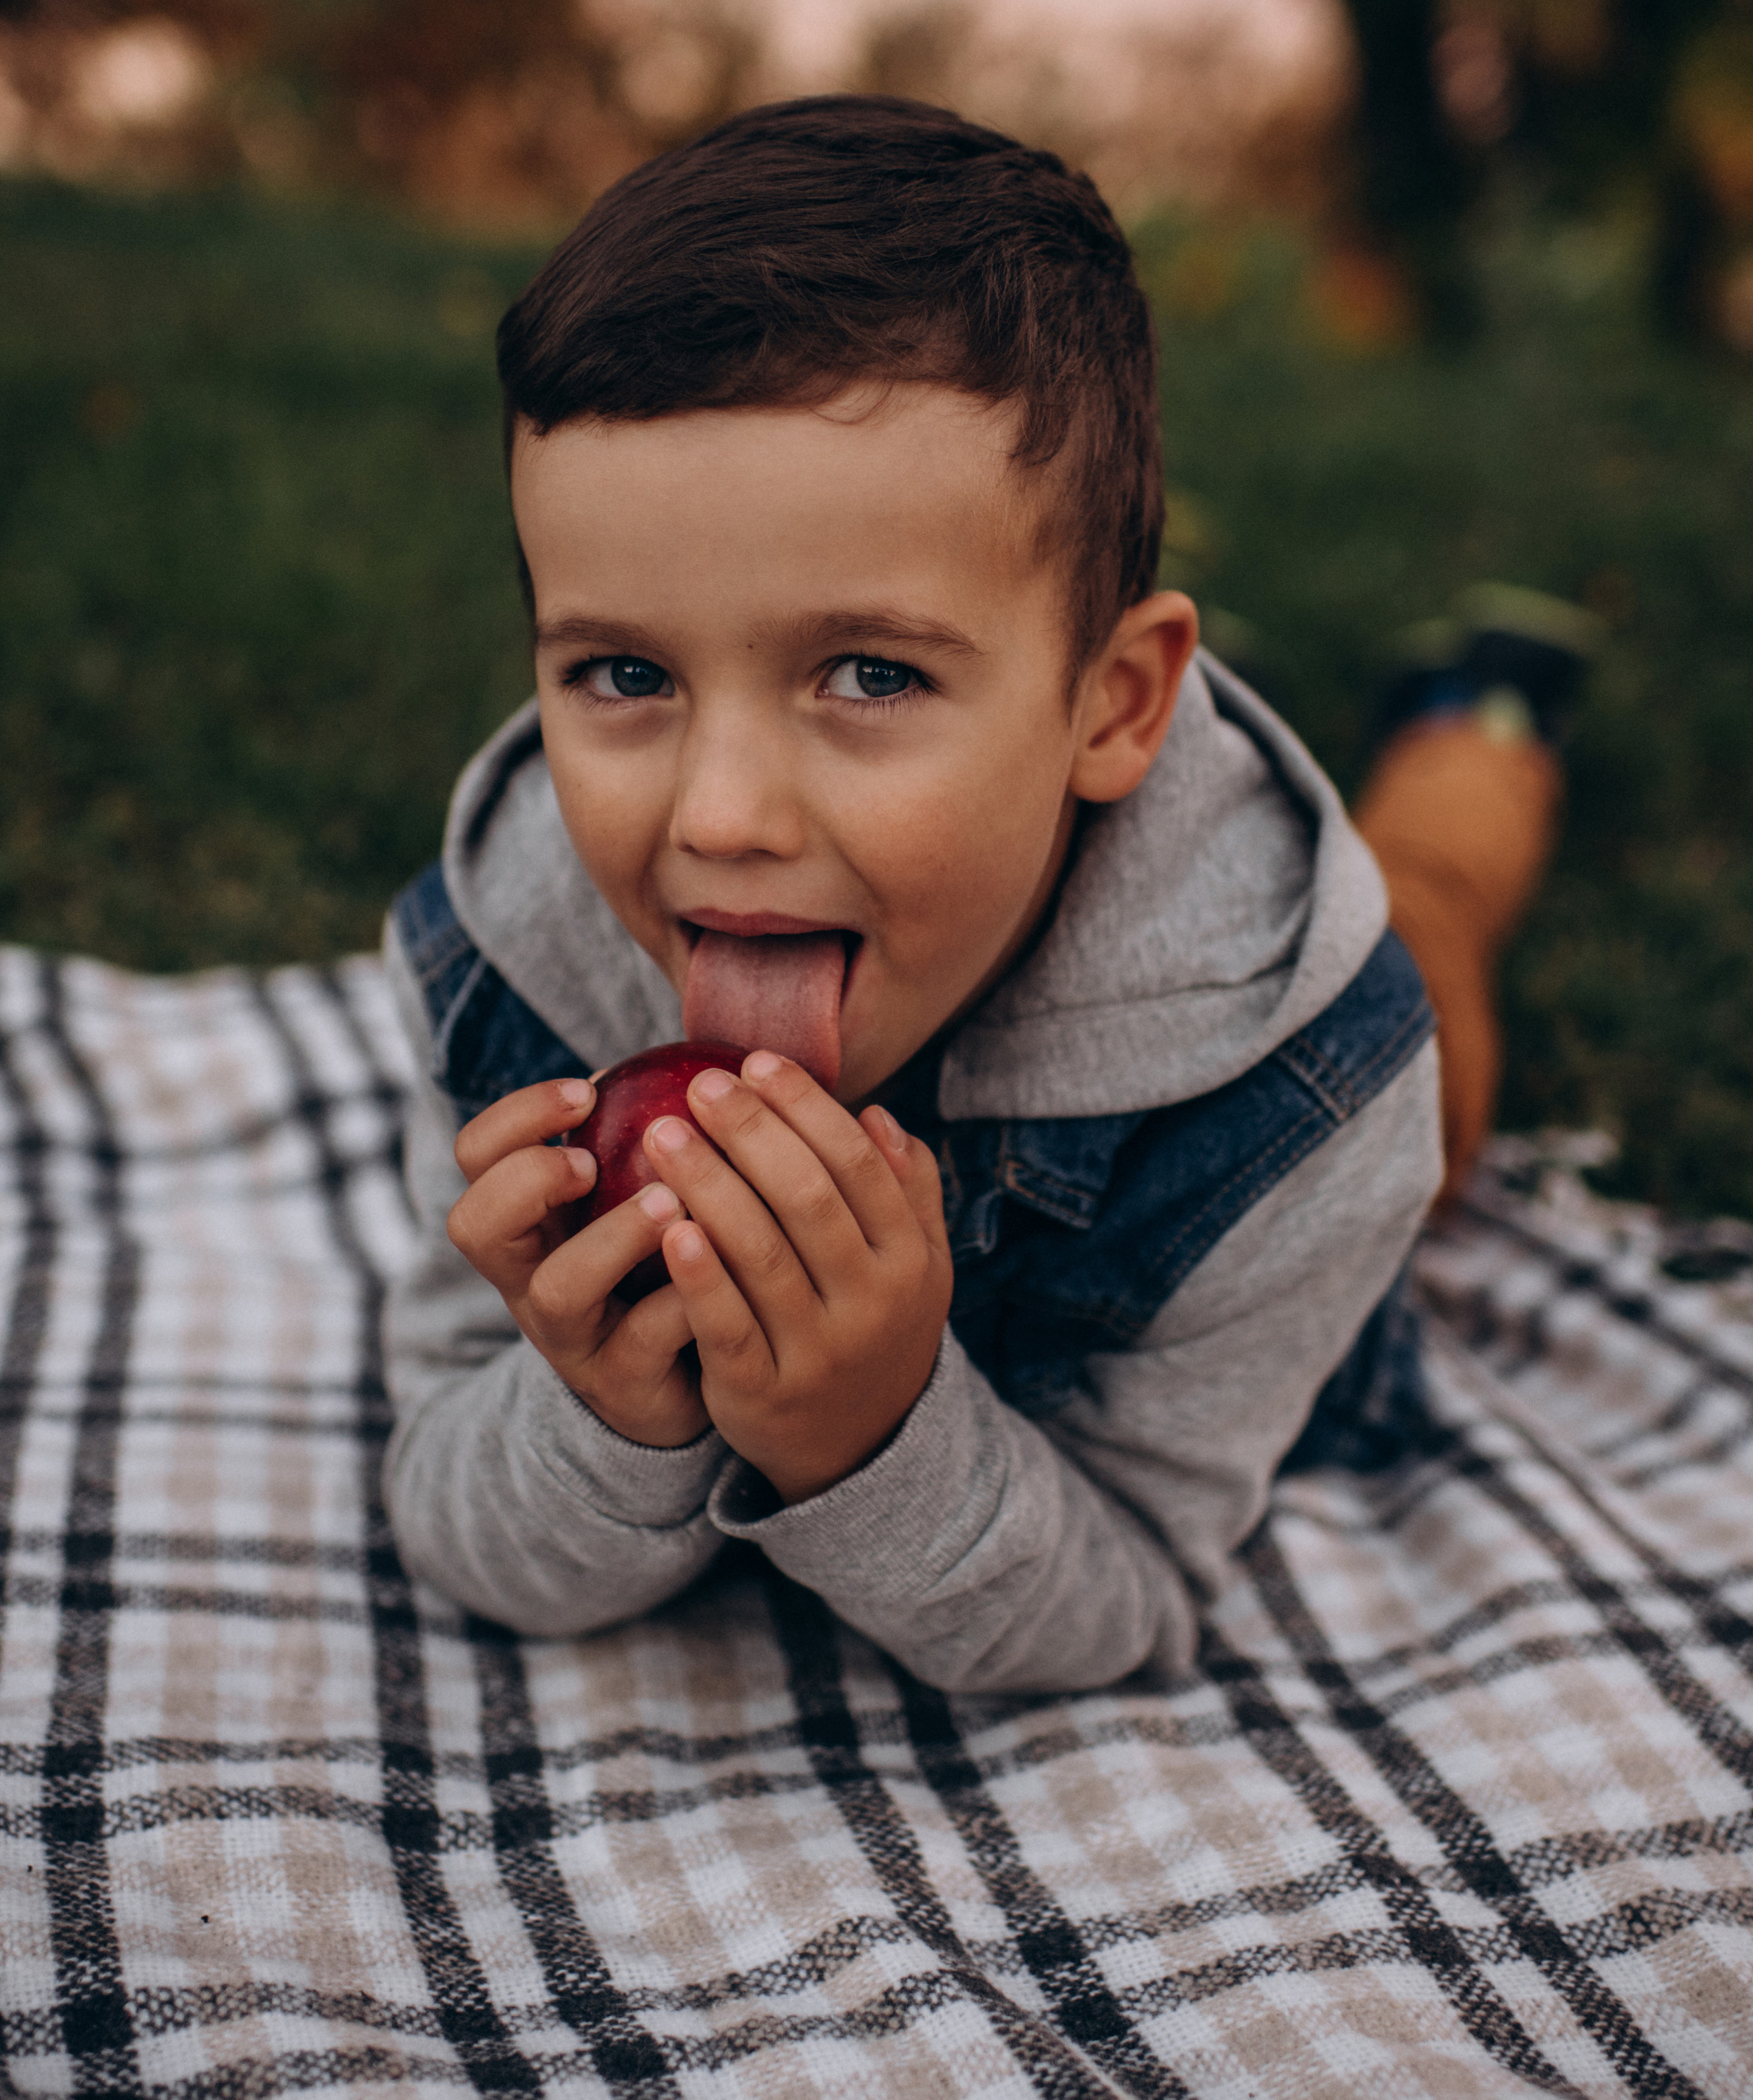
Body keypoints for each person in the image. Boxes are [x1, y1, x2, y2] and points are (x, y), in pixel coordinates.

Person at [382, 94, 1446, 1695]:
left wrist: (869, 1439)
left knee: (1448, 912)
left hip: (1300, 1069)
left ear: (1113, 700)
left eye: (867, 672)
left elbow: (1129, 1597)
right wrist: (599, 1418)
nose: (721, 818)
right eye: (623, 672)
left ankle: (1479, 730)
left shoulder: (1307, 1086)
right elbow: (452, 1511)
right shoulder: (518, 966)